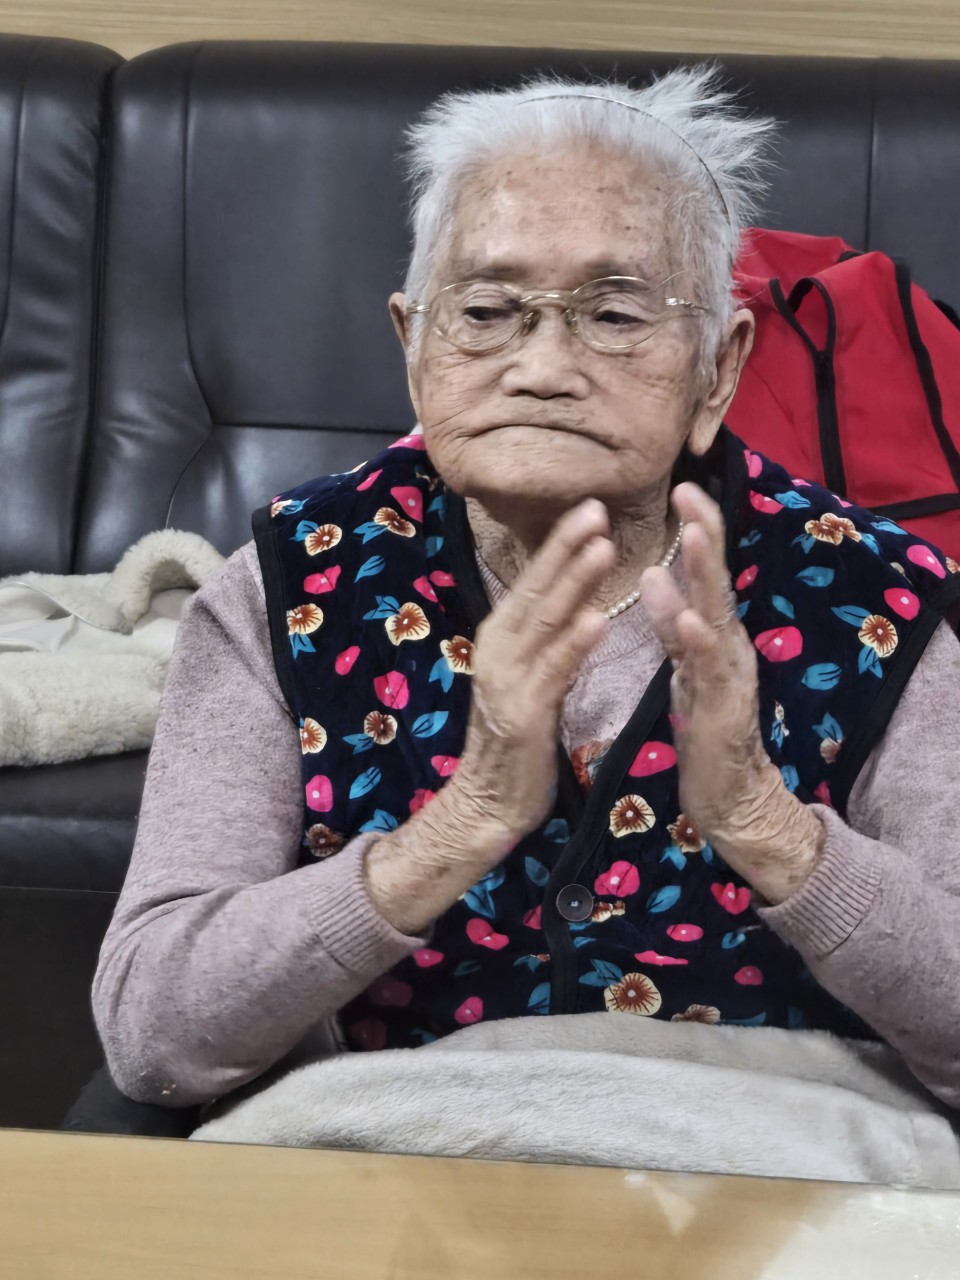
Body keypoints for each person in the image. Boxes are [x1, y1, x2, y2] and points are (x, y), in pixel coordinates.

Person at [93, 67, 960, 1112]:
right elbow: (153, 1032)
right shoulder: (290, 585)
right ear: (415, 348)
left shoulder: (875, 599)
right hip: (395, 1174)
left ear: (718, 370)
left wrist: (761, 819)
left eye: (616, 312)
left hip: (768, 1176)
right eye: (488, 310)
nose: (544, 366)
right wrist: (462, 823)